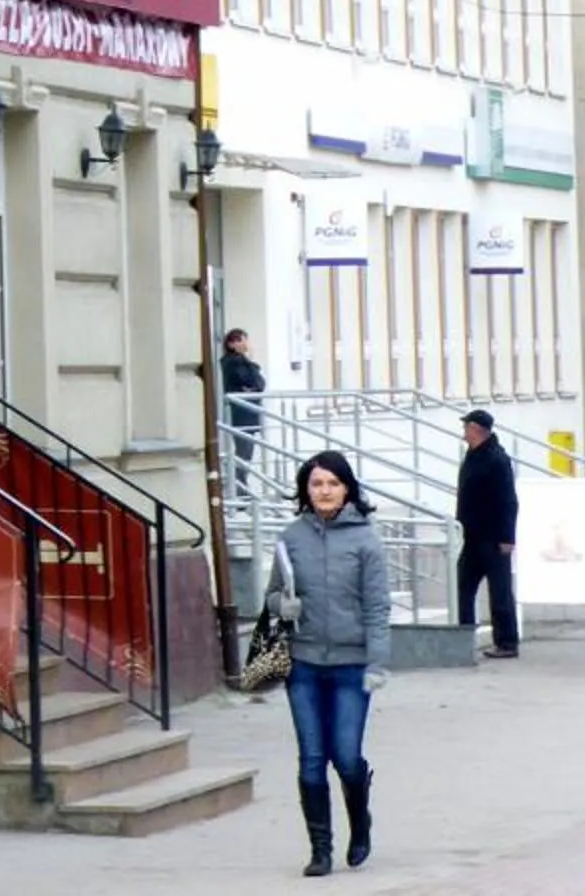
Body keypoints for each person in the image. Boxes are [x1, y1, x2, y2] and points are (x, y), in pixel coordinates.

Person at [278, 447, 389, 876]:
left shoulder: (365, 540)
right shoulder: (292, 537)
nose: (325, 491)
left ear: (347, 489)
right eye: (317, 484)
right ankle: (320, 850)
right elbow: (273, 593)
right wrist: (281, 604)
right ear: (306, 491)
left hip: (351, 666)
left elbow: (378, 608)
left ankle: (360, 822)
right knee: (310, 757)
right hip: (303, 663)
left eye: (333, 483)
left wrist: (377, 663)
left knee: (345, 756)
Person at [455, 405, 521, 657]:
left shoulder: (496, 458)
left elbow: (508, 500)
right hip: (472, 537)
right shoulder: (473, 454)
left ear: (476, 429)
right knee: (462, 588)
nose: (463, 431)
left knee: (500, 592)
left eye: (466, 427)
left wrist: (507, 537)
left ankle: (507, 643)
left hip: (494, 538)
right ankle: (463, 639)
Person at [221, 326, 267, 489]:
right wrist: (251, 363)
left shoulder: (240, 362)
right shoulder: (234, 362)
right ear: (231, 344)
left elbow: (260, 385)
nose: (246, 343)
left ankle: (240, 487)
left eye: (245, 339)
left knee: (245, 453)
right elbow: (252, 381)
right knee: (244, 453)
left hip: (244, 415)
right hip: (241, 415)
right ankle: (239, 488)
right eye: (241, 339)